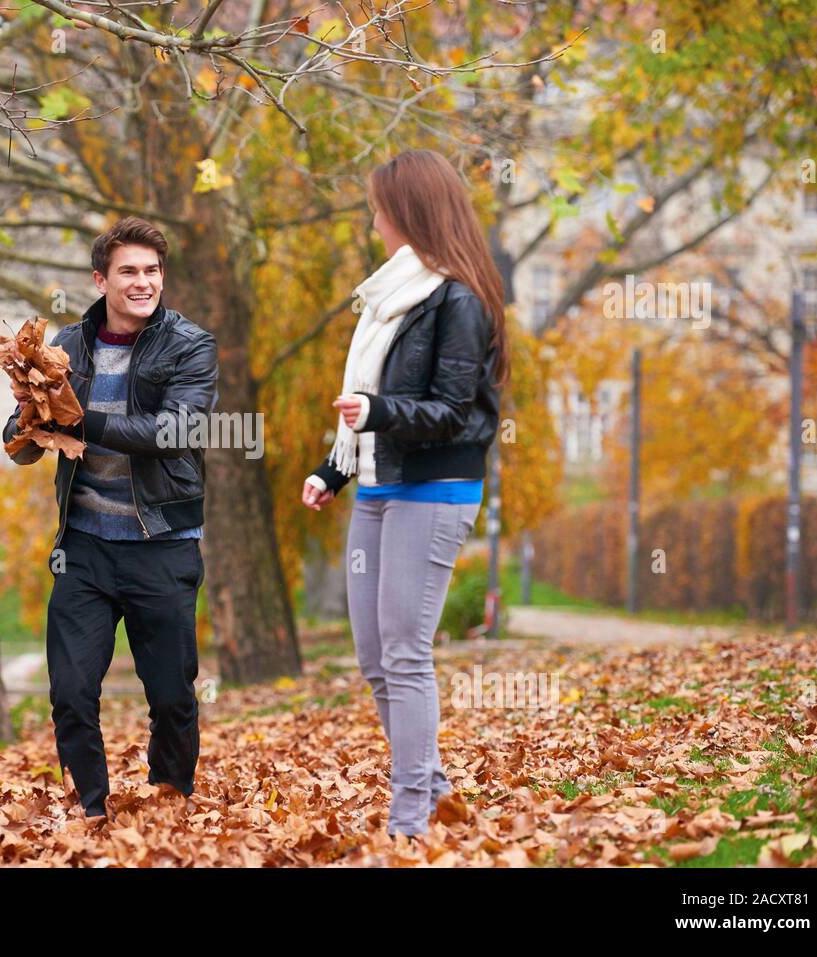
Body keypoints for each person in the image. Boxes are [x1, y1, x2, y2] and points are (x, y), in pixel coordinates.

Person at [301, 149, 508, 839]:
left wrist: (377, 410)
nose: (374, 220)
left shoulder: (460, 299)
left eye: (381, 208)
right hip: (381, 484)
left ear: (411, 212)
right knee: (373, 658)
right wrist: (333, 469)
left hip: (437, 485)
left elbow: (452, 409)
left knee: (405, 653)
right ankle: (439, 794)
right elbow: (367, 408)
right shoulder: (391, 295)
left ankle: (411, 816)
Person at [2, 216, 218, 820]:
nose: (143, 282)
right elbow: (16, 443)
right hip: (85, 548)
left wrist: (77, 421)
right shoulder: (65, 347)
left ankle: (169, 802)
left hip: (163, 544)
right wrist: (29, 416)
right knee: (71, 693)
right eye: (129, 271)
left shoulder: (190, 345)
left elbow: (175, 431)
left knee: (172, 696)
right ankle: (92, 813)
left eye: (152, 271)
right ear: (102, 279)